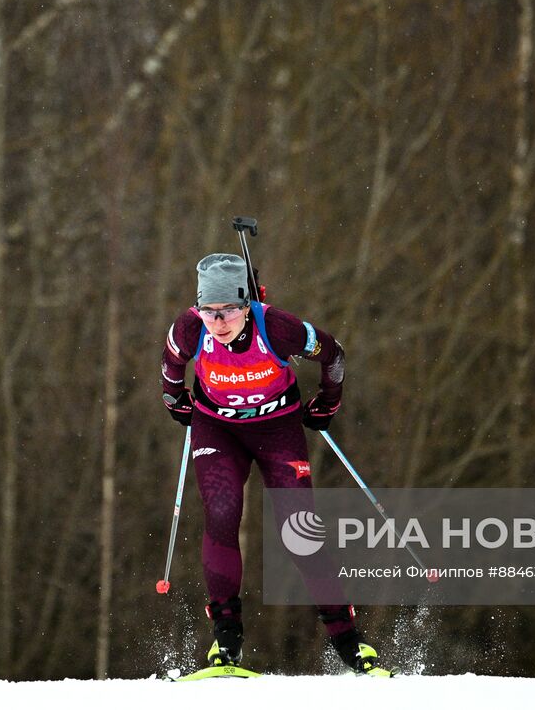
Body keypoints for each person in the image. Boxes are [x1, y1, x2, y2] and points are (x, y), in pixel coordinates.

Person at [160, 252, 390, 676]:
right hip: (218, 430)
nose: (219, 322)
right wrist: (176, 401)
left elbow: (334, 355)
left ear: (246, 305)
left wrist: (328, 402)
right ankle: (226, 646)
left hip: (277, 428)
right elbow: (171, 367)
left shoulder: (278, 327)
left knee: (299, 529)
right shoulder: (190, 328)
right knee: (223, 510)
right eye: (210, 312)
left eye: (228, 310)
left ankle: (350, 644)